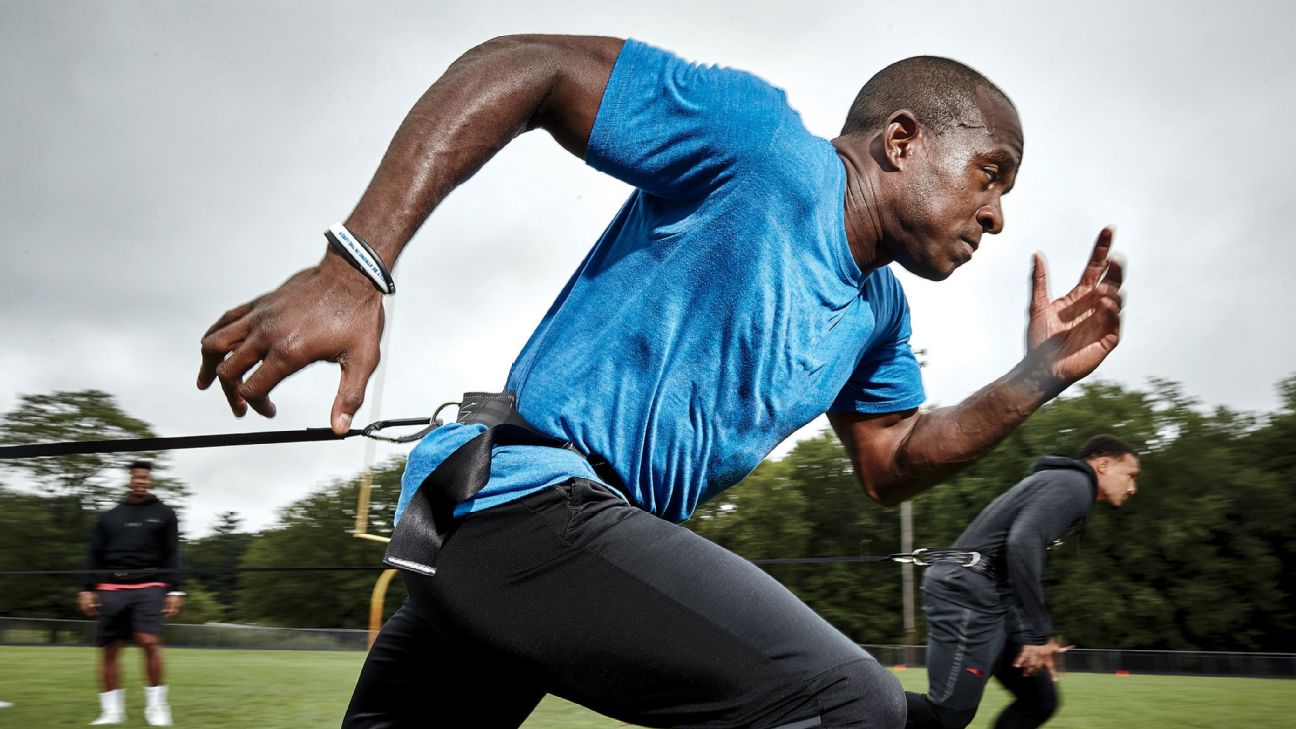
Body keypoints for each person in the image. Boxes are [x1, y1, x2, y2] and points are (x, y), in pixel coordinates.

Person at [196, 35, 1124, 729]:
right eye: (990, 175)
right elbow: (533, 67)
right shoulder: (762, 144)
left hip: (548, 555)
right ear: (902, 140)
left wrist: (1036, 377)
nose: (996, 216)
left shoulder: (880, 315)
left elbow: (890, 461)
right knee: (849, 706)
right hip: (520, 506)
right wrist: (357, 265)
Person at [904, 435, 1141, 729]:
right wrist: (1038, 634)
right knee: (947, 715)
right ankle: (844, 703)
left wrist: (1032, 633)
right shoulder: (1075, 485)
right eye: (1130, 475)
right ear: (1103, 464)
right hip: (966, 594)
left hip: (994, 597)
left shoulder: (1065, 483)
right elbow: (1023, 543)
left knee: (1039, 700)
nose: (1133, 488)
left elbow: (1016, 553)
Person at [78, 461, 184, 726]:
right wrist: (86, 588)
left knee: (149, 641)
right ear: (130, 480)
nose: (141, 482)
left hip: (150, 586)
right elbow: (94, 554)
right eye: (137, 478)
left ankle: (157, 707)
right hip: (111, 587)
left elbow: (173, 553)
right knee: (110, 650)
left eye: (145, 478)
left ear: (151, 481)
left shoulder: (165, 514)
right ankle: (112, 712)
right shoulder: (109, 516)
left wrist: (175, 590)